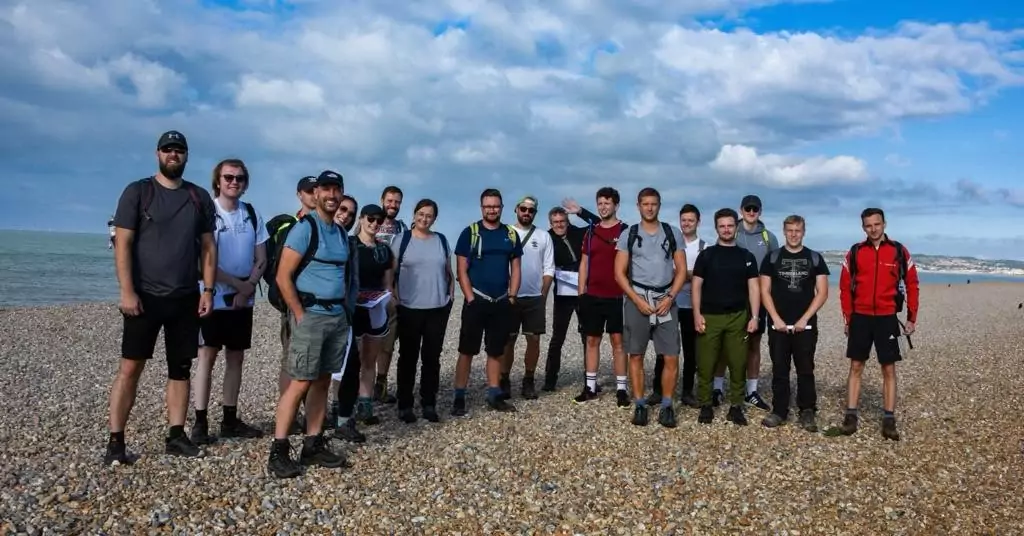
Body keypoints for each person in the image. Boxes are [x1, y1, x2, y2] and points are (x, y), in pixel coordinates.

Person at [104, 130, 217, 465]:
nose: (173, 155)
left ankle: (176, 434)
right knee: (130, 367)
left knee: (180, 369)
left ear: (186, 156)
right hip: (144, 298)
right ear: (157, 154)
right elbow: (122, 244)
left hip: (185, 297)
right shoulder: (138, 192)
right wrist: (127, 291)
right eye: (168, 149)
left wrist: (208, 289)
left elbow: (209, 247)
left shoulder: (198, 197)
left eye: (179, 150)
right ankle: (116, 441)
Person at [268, 170, 356, 478]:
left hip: (335, 318)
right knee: (300, 382)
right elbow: (282, 277)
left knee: (322, 381)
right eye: (326, 189)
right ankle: (278, 450)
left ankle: (313, 443)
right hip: (311, 316)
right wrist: (300, 314)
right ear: (316, 193)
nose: (332, 195)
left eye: (337, 190)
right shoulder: (305, 229)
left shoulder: (342, 233)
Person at [190, 159, 268, 445]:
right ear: (218, 181)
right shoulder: (208, 213)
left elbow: (262, 258)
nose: (234, 182)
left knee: (236, 358)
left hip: (242, 301)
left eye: (239, 178)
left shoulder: (252, 214)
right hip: (212, 296)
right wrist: (240, 286)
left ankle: (230, 419)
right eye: (228, 177)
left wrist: (248, 288)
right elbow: (204, 260)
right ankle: (200, 421)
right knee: (206, 358)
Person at [837, 207, 919, 441]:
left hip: (887, 318)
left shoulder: (899, 251)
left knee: (889, 369)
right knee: (856, 366)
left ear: (884, 224)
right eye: (868, 225)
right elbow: (844, 288)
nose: (873, 229)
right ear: (863, 227)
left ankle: (889, 419)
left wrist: (912, 318)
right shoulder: (855, 252)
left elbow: (912, 284)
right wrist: (848, 318)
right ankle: (851, 415)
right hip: (860, 318)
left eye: (877, 224)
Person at [614, 188, 687, 427]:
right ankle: (639, 404)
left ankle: (667, 405)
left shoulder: (672, 232)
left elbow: (681, 270)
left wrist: (670, 297)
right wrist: (637, 300)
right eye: (645, 204)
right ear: (638, 206)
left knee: (671, 356)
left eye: (653, 204)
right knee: (635, 354)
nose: (649, 208)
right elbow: (619, 273)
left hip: (665, 300)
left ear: (659, 205)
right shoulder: (629, 234)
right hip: (638, 299)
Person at [452, 188, 522, 415]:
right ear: (482, 208)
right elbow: (461, 269)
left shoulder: (510, 234)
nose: (492, 210)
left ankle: (494, 393)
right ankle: (459, 396)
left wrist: (512, 295)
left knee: (496, 351)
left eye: (495, 206)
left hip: (501, 301)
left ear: (501, 207)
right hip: (477, 301)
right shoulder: (470, 233)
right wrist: (470, 298)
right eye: (488, 206)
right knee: (467, 350)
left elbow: (516, 267)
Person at [759, 215, 829, 431]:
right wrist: (776, 318)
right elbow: (765, 291)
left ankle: (807, 410)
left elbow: (822, 292)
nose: (793, 234)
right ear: (784, 231)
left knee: (805, 369)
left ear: (803, 231)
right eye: (790, 230)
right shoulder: (772, 258)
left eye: (797, 230)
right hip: (778, 325)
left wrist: (805, 318)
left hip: (805, 326)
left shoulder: (814, 258)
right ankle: (779, 410)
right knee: (780, 368)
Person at [692, 208, 760, 426]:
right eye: (722, 226)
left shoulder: (746, 257)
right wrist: (696, 314)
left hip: (737, 317)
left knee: (738, 363)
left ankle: (736, 406)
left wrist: (755, 316)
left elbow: (754, 289)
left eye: (730, 225)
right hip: (710, 317)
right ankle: (705, 405)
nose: (726, 229)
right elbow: (696, 286)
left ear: (736, 227)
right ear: (716, 228)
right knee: (706, 363)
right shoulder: (707, 255)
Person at [392, 199, 455, 423]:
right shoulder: (402, 240)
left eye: (429, 215)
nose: (424, 219)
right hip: (409, 308)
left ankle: (429, 402)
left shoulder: (441, 240)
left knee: (432, 358)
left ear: (434, 218)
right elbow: (391, 272)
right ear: (414, 214)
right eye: (420, 214)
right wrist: (395, 296)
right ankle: (405, 404)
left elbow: (448, 270)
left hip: (437, 308)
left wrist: (450, 296)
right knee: (407, 357)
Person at [570, 188, 630, 407]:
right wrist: (581, 293)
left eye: (607, 203)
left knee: (618, 342)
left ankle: (622, 389)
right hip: (592, 295)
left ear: (616, 205)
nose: (604, 207)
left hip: (617, 295)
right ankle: (590, 387)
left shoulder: (624, 231)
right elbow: (584, 263)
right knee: (592, 340)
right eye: (600, 203)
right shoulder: (591, 232)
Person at [353, 186, 409, 404]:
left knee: (386, 344)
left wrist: (393, 294)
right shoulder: (359, 234)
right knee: (358, 350)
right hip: (359, 300)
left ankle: (380, 386)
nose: (393, 205)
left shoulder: (403, 229)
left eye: (397, 202)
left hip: (388, 295)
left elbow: (396, 265)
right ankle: (351, 395)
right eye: (390, 200)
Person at [649, 204, 706, 408]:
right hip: (668, 304)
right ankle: (658, 390)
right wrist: (687, 274)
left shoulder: (704, 247)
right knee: (664, 349)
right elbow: (664, 272)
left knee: (691, 351)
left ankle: (688, 392)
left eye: (691, 220)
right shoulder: (670, 243)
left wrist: (682, 274)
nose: (687, 223)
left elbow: (702, 276)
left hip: (692, 306)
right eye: (684, 220)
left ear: (698, 222)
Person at [277, 176, 321, 434]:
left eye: (317, 191)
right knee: (291, 361)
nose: (314, 196)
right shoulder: (295, 226)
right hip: (296, 306)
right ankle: (289, 416)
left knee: (314, 365)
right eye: (308, 191)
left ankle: (310, 419)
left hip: (318, 311)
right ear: (299, 195)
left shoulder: (326, 225)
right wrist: (297, 310)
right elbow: (283, 273)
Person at [727, 194, 778, 411]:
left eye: (754, 209)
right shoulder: (732, 231)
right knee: (728, 343)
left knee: (754, 343)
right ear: (741, 210)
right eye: (747, 208)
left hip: (759, 299)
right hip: (732, 297)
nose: (750, 212)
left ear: (759, 211)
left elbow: (775, 269)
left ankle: (752, 390)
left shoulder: (768, 237)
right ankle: (722, 387)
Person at [500, 195, 554, 400]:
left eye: (531, 210)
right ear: (516, 209)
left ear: (535, 213)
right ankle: (504, 379)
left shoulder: (542, 236)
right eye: (523, 209)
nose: (526, 213)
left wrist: (544, 293)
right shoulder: (506, 233)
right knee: (508, 340)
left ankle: (528, 380)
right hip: (510, 295)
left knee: (533, 339)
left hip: (534, 297)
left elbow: (549, 267)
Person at [543, 203, 599, 391]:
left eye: (562, 221)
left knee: (588, 336)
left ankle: (590, 380)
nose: (559, 225)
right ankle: (550, 380)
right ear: (550, 223)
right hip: (563, 294)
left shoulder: (579, 233)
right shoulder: (547, 238)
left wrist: (581, 212)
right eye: (555, 222)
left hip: (584, 291)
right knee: (558, 337)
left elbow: (599, 225)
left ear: (568, 221)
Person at [350, 204, 395, 426]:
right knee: (349, 362)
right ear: (361, 218)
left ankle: (365, 405)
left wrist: (388, 299)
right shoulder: (349, 245)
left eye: (379, 220)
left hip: (376, 308)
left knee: (370, 360)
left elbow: (388, 283)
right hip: (353, 309)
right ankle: (341, 409)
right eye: (370, 218)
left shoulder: (384, 249)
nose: (374, 223)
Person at [329, 194, 368, 443]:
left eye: (351, 213)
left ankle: (344, 420)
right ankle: (317, 419)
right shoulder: (317, 233)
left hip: (344, 314)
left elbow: (353, 279)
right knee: (319, 371)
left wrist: (350, 307)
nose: (346, 215)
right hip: (318, 313)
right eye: (343, 209)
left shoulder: (349, 242)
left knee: (352, 365)